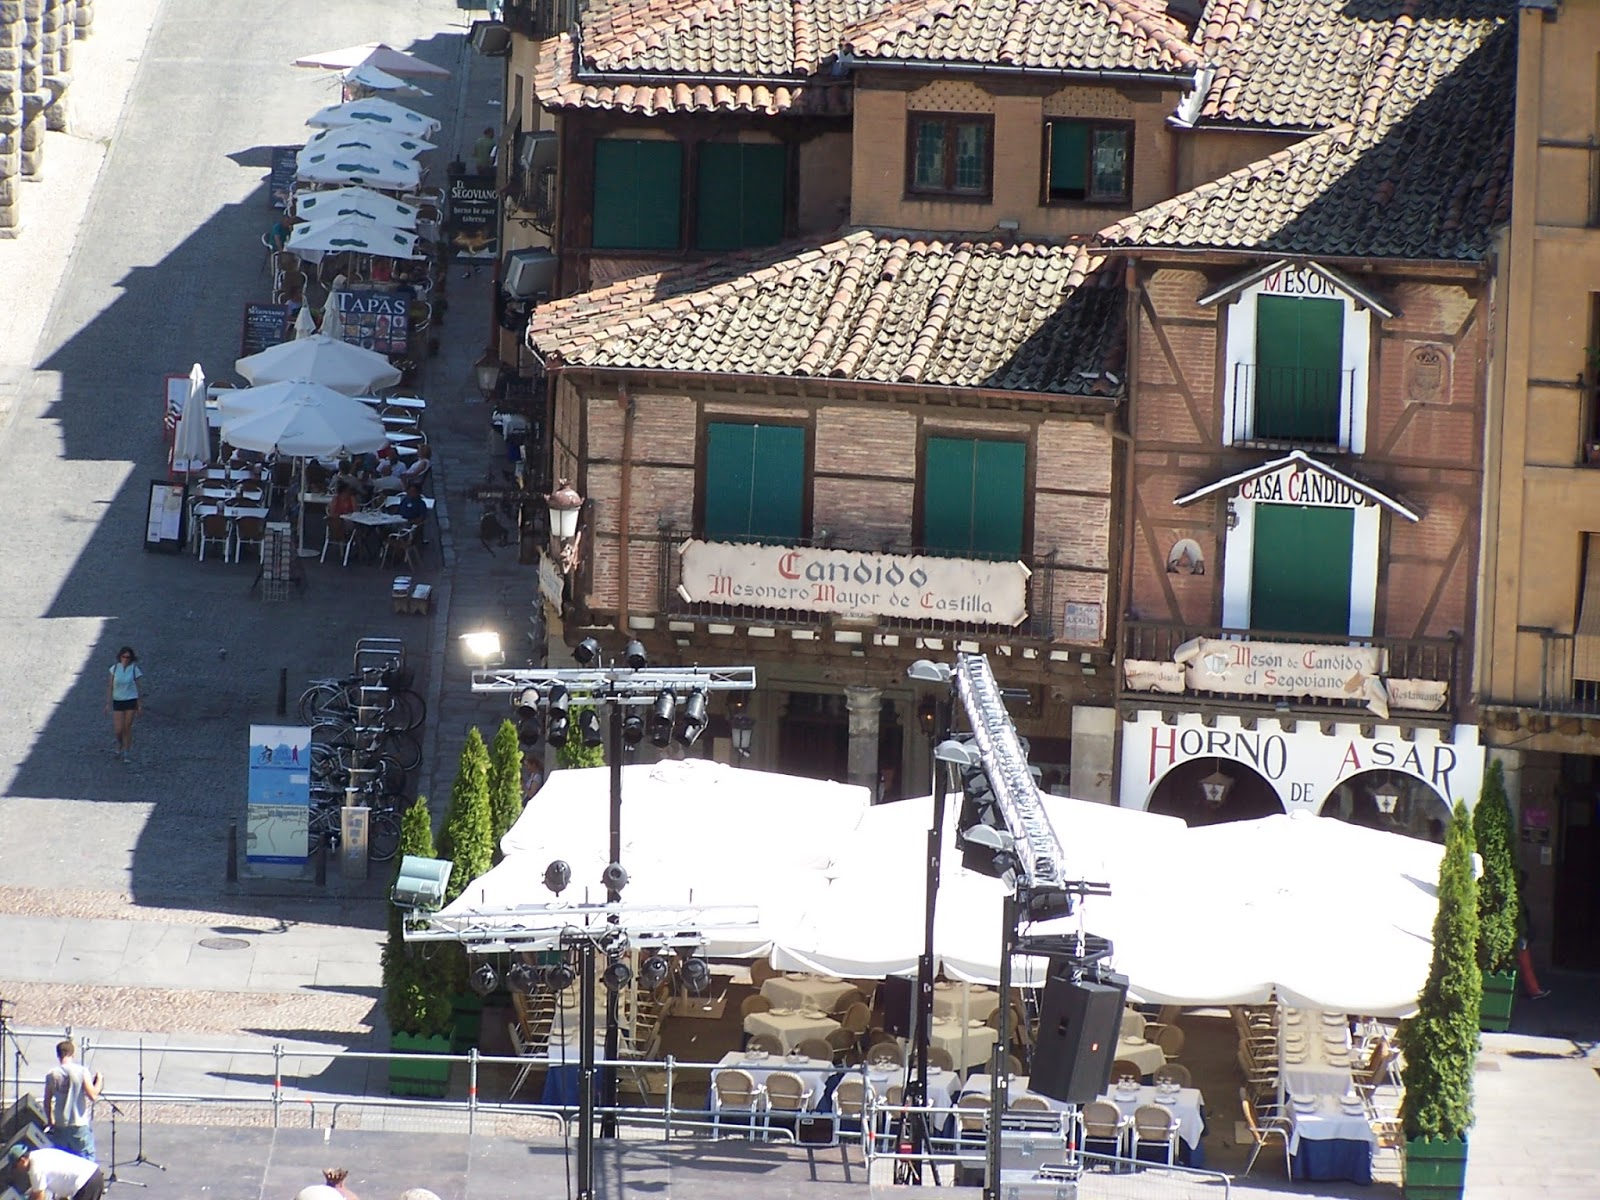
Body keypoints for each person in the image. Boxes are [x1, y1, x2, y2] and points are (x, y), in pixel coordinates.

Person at [43, 1040, 101, 1161]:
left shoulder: (51, 1074)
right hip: (78, 1123)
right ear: (73, 1054)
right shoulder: (81, 1071)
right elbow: (93, 1095)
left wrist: (50, 1120)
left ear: (58, 1055)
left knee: (62, 1161)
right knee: (86, 1159)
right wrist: (100, 1080)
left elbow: (47, 1101)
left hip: (60, 1124)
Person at [7, 1144, 105, 1200]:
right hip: (92, 1176)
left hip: (86, 1182)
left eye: (15, 1166)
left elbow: (40, 1196)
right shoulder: (38, 1155)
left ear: (22, 1160)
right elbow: (36, 1191)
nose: (17, 1170)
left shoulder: (35, 1167)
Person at [104, 646, 143, 763]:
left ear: (131, 658)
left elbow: (138, 687)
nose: (125, 659)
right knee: (118, 730)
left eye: (128, 657)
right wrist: (108, 703)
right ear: (120, 657)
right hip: (118, 700)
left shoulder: (134, 670)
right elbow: (110, 686)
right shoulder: (114, 669)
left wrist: (139, 705)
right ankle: (119, 744)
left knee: (127, 727)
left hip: (131, 700)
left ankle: (127, 752)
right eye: (123, 657)